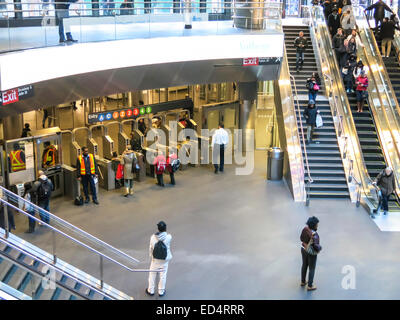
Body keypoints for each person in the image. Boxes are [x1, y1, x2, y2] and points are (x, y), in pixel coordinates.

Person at [146, 221, 172, 297]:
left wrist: (152, 257)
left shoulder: (152, 237)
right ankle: (161, 291)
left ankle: (150, 290)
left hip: (155, 260)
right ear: (165, 228)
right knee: (163, 275)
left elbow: (150, 248)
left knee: (152, 274)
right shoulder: (169, 237)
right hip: (164, 260)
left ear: (158, 228)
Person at [300, 216, 322, 291]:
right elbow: (316, 246)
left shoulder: (305, 229)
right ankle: (310, 285)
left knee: (304, 265)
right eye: (317, 224)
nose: (317, 225)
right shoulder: (314, 234)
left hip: (303, 249)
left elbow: (301, 238)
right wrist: (319, 248)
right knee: (312, 268)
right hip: (310, 252)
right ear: (314, 225)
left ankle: (303, 282)